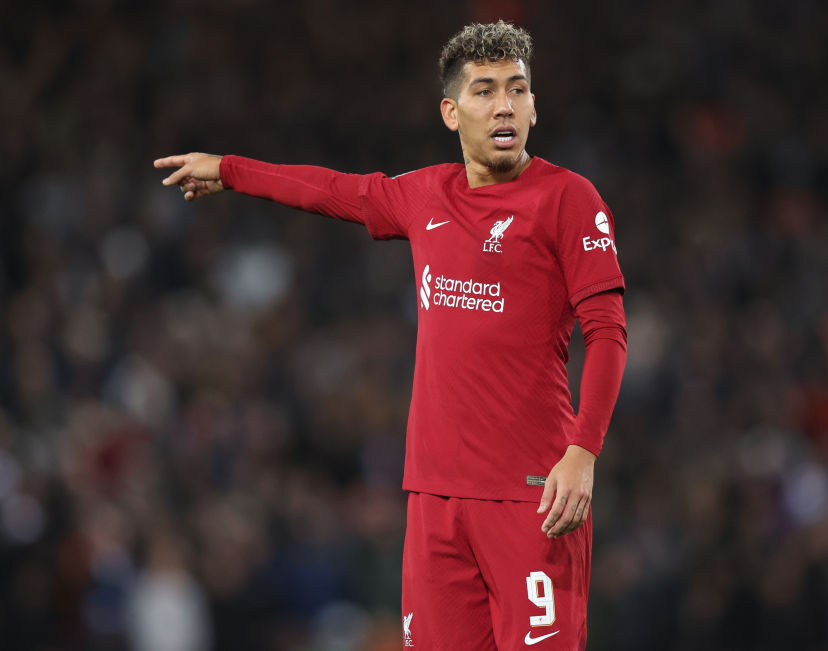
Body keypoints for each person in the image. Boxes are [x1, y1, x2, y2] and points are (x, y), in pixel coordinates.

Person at [154, 20, 626, 650]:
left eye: (517, 89)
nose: (504, 105)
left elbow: (608, 332)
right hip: (434, 495)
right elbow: (331, 190)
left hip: (533, 494)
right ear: (451, 112)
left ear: (534, 107)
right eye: (484, 90)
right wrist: (230, 170)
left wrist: (583, 452)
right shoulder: (425, 195)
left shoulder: (569, 199)